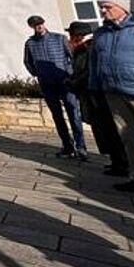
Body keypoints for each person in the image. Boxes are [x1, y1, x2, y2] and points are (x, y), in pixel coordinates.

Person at [90, 0, 134, 194]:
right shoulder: (101, 34)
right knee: (129, 138)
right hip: (114, 93)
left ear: (123, 8)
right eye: (101, 7)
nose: (103, 10)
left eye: (107, 7)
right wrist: (95, 87)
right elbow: (95, 63)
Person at [65, 20, 128, 176]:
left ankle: (122, 163)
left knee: (109, 130)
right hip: (91, 95)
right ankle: (116, 161)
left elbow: (88, 72)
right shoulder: (83, 48)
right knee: (103, 130)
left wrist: (72, 82)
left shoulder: (89, 49)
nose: (69, 39)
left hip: (97, 96)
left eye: (71, 35)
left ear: (78, 36)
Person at [23, 15, 87, 159]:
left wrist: (71, 74)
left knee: (73, 113)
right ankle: (67, 146)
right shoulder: (30, 43)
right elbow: (28, 62)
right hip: (47, 83)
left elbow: (71, 56)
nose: (38, 26)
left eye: (40, 23)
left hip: (65, 81)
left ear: (44, 23)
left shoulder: (59, 38)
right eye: (35, 25)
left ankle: (81, 147)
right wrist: (37, 73)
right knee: (57, 115)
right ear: (32, 27)